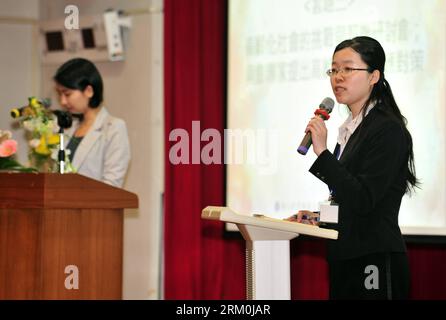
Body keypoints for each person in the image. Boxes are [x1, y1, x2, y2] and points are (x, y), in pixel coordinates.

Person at [290, 36, 419, 299]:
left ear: (374, 76)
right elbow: (349, 194)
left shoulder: (387, 129)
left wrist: (322, 152)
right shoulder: (352, 128)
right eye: (334, 69)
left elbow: (364, 199)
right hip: (345, 257)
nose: (338, 77)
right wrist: (318, 218)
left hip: (373, 259)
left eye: (348, 69)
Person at [54, 58, 130, 188]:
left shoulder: (113, 128)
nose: (63, 101)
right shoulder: (66, 127)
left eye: (67, 94)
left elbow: (112, 185)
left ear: (89, 91)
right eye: (59, 94)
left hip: (92, 207)